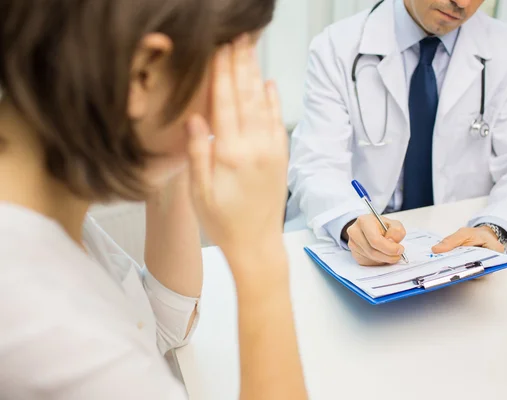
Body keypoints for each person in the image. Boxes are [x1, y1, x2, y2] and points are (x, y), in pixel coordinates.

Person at [0, 0, 307, 399]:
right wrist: (260, 256)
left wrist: (173, 142)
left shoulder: (40, 210)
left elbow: (163, 325)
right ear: (144, 71)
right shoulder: (47, 324)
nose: (226, 114)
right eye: (229, 80)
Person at [287, 0, 507, 266]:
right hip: (355, 248)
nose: (463, 3)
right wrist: (349, 222)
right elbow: (316, 162)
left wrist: (497, 228)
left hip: (453, 244)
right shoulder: (336, 46)